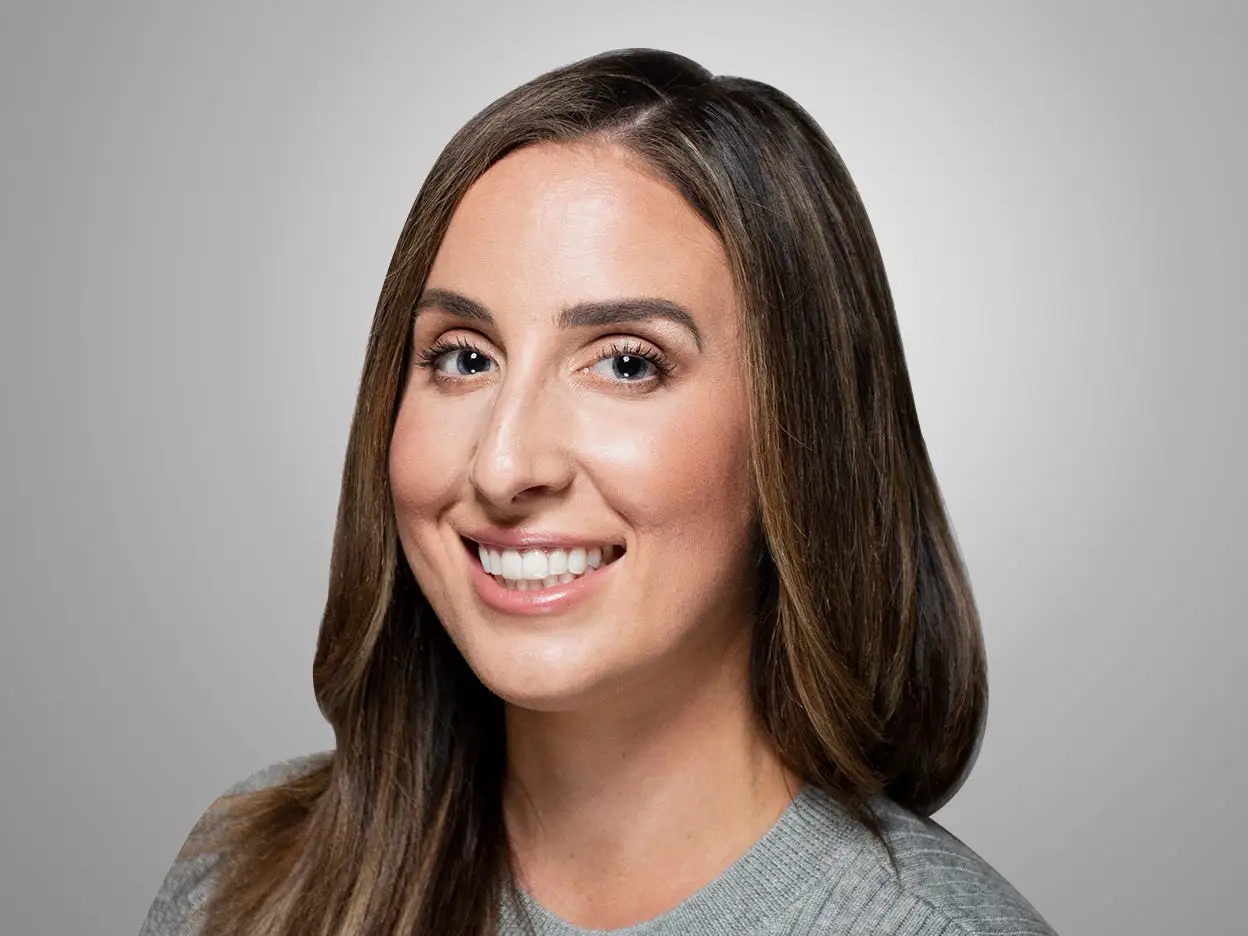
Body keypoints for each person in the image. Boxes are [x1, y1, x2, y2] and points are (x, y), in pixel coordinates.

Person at [140, 48, 1058, 936]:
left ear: (801, 436)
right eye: (464, 357)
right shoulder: (244, 887)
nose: (503, 466)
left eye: (625, 363)